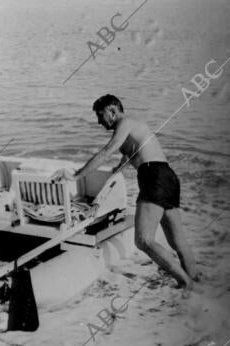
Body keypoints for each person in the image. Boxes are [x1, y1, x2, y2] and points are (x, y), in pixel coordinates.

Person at [51, 94, 201, 292]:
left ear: (112, 110)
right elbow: (127, 157)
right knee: (177, 241)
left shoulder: (126, 122)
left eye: (100, 115)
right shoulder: (130, 129)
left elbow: (106, 152)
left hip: (154, 177)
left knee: (143, 240)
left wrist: (76, 176)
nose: (98, 121)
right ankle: (198, 283)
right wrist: (114, 172)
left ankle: (186, 284)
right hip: (167, 176)